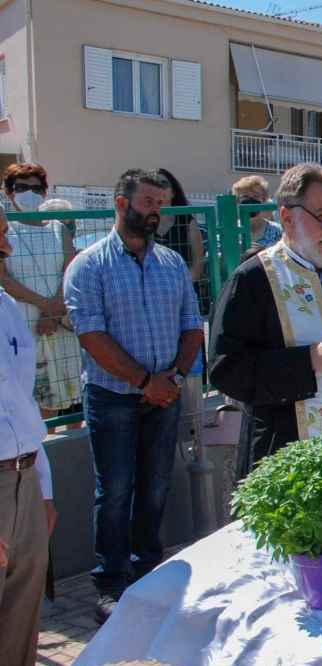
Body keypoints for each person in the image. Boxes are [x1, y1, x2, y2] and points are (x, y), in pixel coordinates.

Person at [63, 169, 204, 623]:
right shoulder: (88, 266)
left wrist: (174, 378)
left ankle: (149, 571)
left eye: (159, 204)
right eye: (147, 203)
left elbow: (190, 325)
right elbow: (92, 337)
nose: (155, 213)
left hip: (166, 395)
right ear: (121, 204)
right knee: (116, 490)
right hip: (114, 399)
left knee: (157, 484)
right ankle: (110, 581)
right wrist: (146, 381)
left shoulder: (171, 263)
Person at [209, 163, 322, 476]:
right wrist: (308, 361)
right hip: (284, 461)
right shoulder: (253, 280)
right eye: (321, 217)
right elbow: (226, 370)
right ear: (287, 217)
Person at [0, 212, 57, 666]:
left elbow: (24, 404)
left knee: (21, 617)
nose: (8, 249)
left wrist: (44, 487)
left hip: (22, 477)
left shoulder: (5, 305)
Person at [0, 165, 82, 417]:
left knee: (69, 393)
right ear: (9, 193)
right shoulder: (5, 231)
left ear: (45, 192)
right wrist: (46, 308)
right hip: (24, 324)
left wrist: (54, 311)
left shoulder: (58, 228)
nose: (29, 193)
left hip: (59, 322)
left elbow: (71, 270)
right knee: (34, 396)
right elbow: (5, 279)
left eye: (36, 188)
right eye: (21, 187)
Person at [154, 169, 207, 285]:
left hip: (184, 288)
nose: (158, 187)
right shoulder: (141, 223)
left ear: (173, 192)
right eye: (154, 184)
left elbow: (198, 263)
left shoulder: (188, 222)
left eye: (163, 183)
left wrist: (180, 286)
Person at [231, 175, 283, 248]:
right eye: (245, 196)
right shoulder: (230, 230)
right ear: (237, 201)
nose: (251, 200)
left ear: (264, 200)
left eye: (256, 196)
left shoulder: (277, 231)